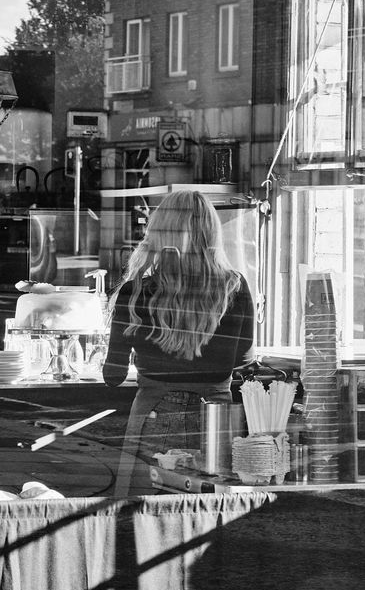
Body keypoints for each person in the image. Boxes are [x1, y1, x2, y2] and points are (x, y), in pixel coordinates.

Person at [102, 190, 255, 462]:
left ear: (157, 233)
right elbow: (243, 360)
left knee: (150, 489)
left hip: (154, 416)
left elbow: (113, 375)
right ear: (211, 235)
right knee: (211, 489)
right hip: (215, 418)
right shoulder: (234, 287)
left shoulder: (134, 292)